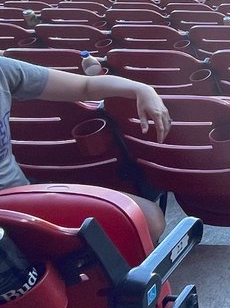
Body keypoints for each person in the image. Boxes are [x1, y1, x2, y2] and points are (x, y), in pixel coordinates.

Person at [0, 55, 171, 240]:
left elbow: (85, 87)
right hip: (7, 219)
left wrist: (141, 89)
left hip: (22, 197)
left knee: (146, 219)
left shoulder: (3, 69)